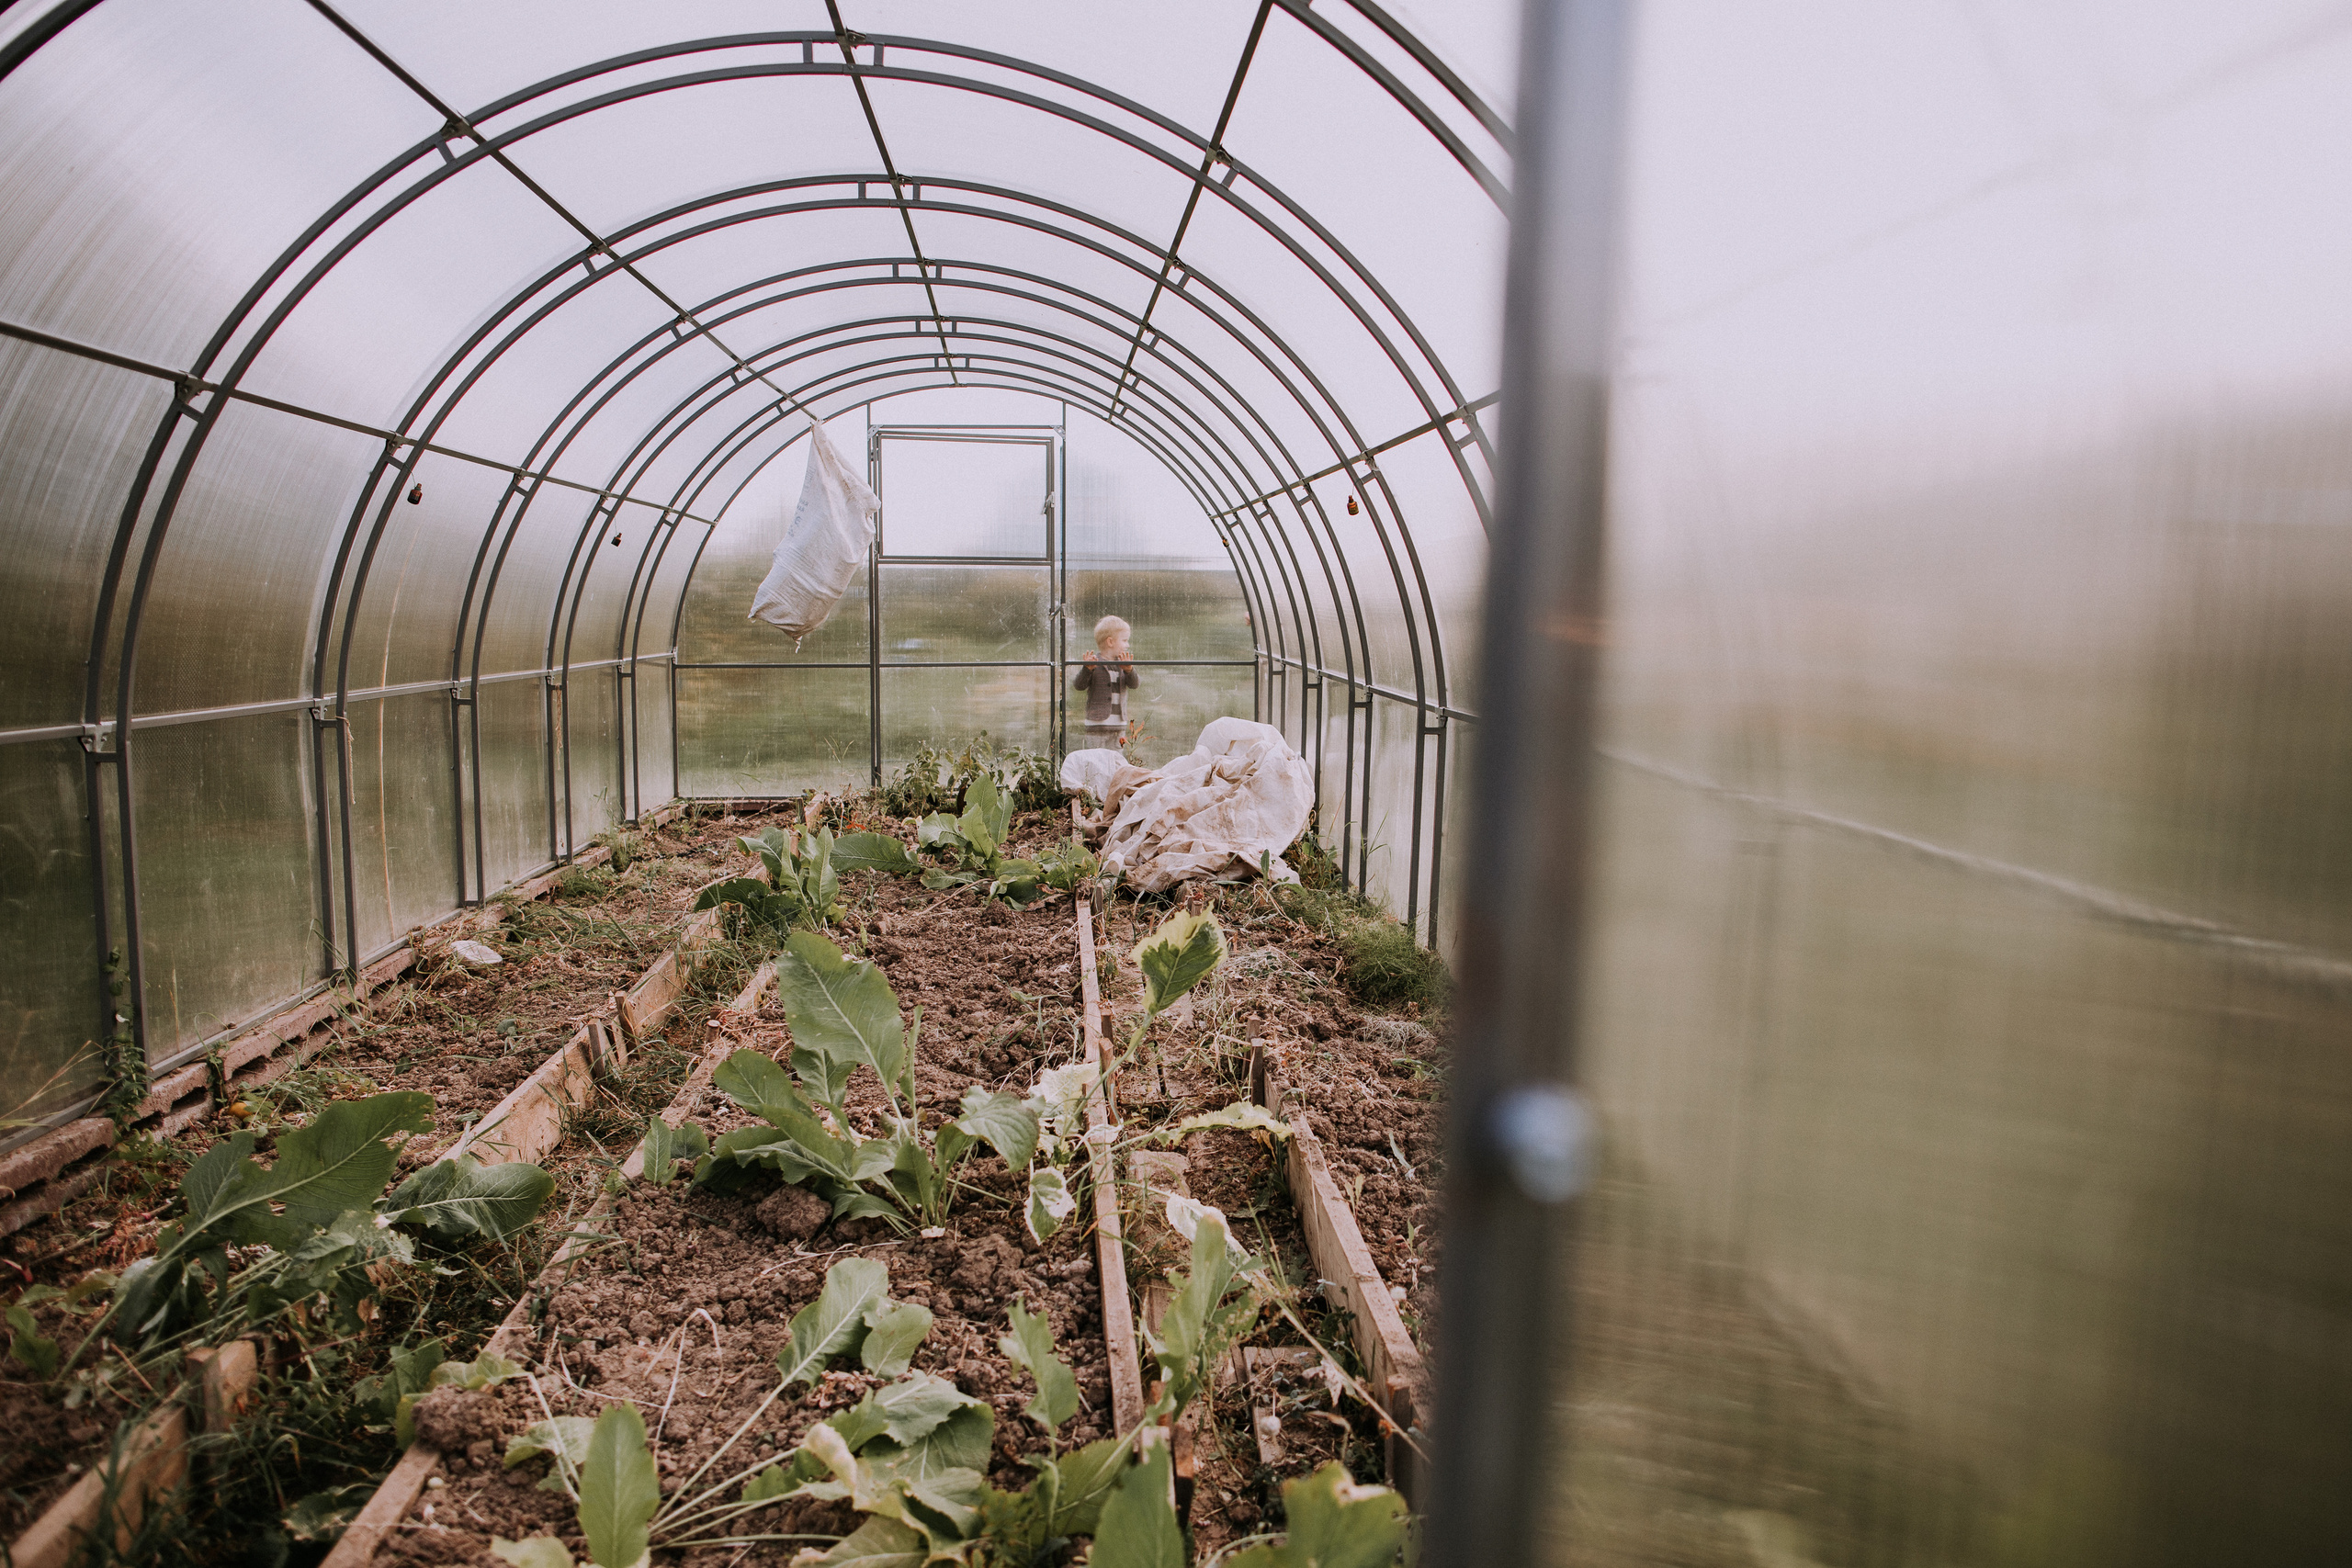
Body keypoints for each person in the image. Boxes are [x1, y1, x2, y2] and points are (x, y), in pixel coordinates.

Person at [1071, 615, 1141, 747]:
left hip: (1118, 724)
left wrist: (1129, 670)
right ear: (1110, 642)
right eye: (1125, 640)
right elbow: (1079, 685)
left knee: (1116, 759)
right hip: (1096, 724)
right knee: (1097, 759)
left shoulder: (1123, 664)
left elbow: (1135, 684)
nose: (1127, 645)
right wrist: (1087, 669)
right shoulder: (1093, 663)